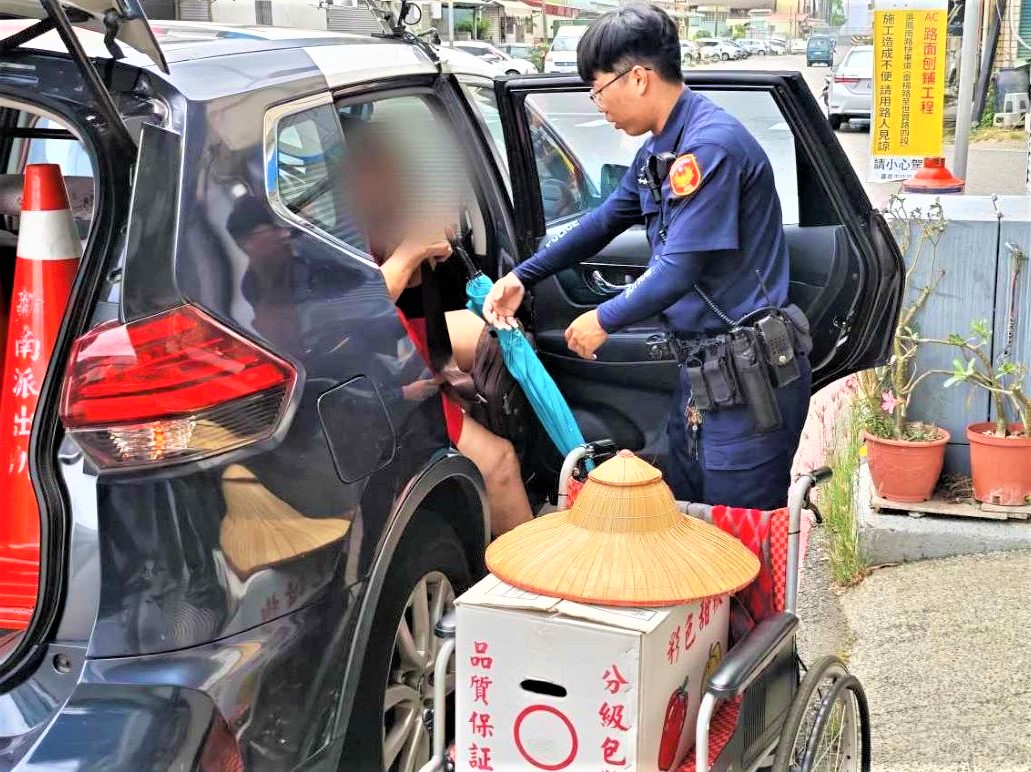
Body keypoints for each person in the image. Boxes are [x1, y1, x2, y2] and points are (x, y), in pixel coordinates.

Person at [483, 2, 812, 511]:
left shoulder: (709, 148)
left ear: (638, 78)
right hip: (705, 375)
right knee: (688, 517)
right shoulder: (661, 149)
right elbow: (604, 221)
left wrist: (603, 319)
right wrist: (524, 276)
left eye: (598, 89)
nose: (598, 104)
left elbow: (680, 268)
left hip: (748, 379)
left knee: (736, 532)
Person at [342, 120, 533, 536]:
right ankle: (525, 566)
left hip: (388, 348)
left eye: (393, 168)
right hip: (363, 373)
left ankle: (481, 418)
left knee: (496, 332)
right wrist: (412, 251)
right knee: (499, 461)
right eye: (378, 168)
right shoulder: (332, 232)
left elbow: (407, 293)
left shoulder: (373, 219)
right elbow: (362, 309)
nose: (391, 179)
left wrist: (430, 248)